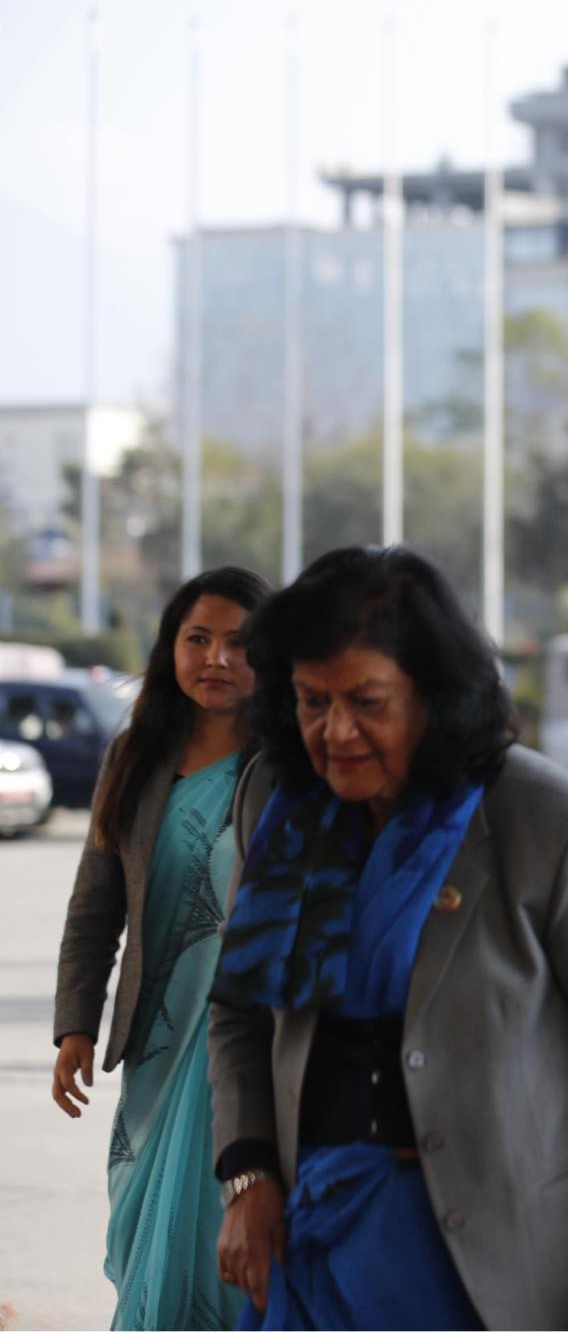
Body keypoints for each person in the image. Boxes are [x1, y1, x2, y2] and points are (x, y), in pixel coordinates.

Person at [206, 545, 568, 1331]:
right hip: (314, 1248)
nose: (335, 731)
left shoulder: (555, 825)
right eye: (310, 701)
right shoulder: (283, 804)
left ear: (434, 696)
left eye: (367, 701)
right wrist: (249, 1171)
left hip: (498, 1269)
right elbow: (239, 1009)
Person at [52, 566, 269, 1330]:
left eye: (240, 644)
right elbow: (94, 907)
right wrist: (75, 1026)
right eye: (198, 639)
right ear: (170, 647)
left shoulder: (294, 765)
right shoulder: (134, 758)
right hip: (159, 1040)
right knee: (148, 1225)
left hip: (252, 1046)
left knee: (229, 1237)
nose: (217, 659)